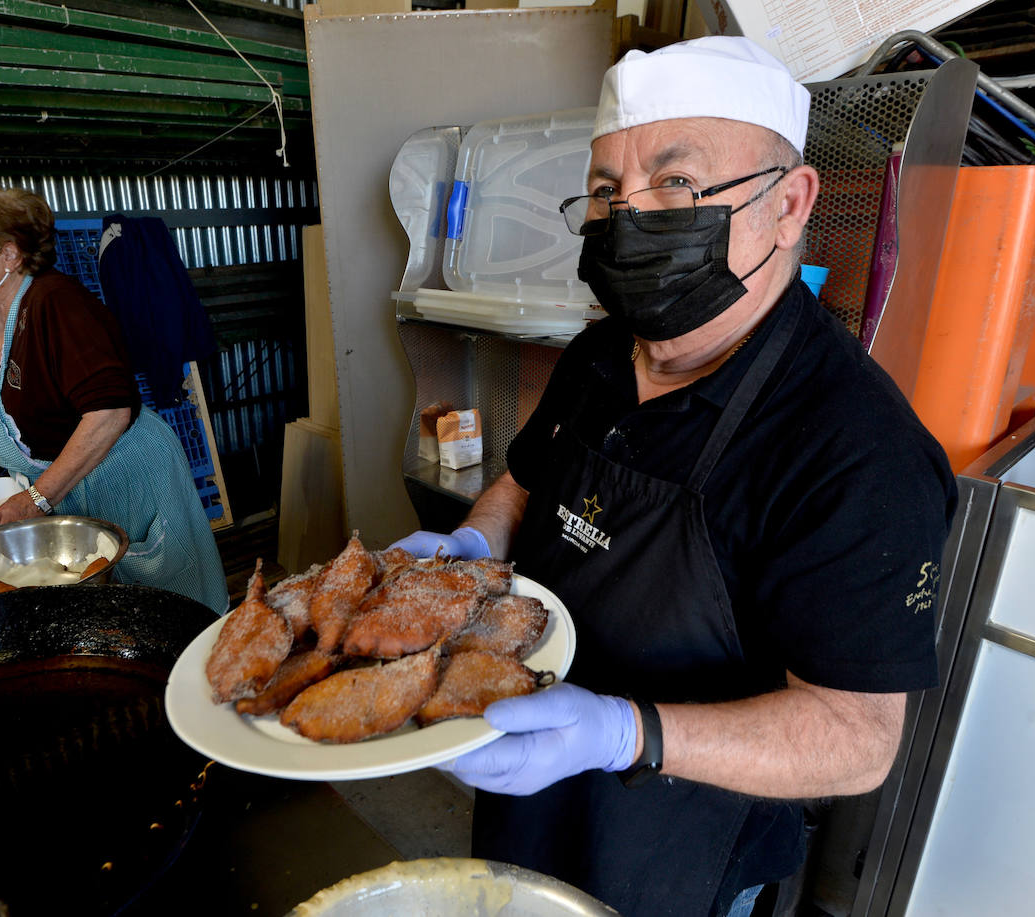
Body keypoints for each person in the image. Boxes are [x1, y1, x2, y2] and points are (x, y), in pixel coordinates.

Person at [393, 37, 957, 916]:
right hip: (527, 791)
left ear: (790, 204)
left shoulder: (857, 449)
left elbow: (856, 739)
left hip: (679, 839)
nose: (630, 217)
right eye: (610, 191)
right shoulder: (599, 353)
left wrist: (621, 731)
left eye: (678, 184)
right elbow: (526, 479)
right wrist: (474, 543)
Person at [0, 181, 230, 615]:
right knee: (106, 606)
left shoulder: (58, 304)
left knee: (170, 606)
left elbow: (110, 412)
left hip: (124, 475)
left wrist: (37, 498)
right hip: (62, 486)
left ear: (9, 252)